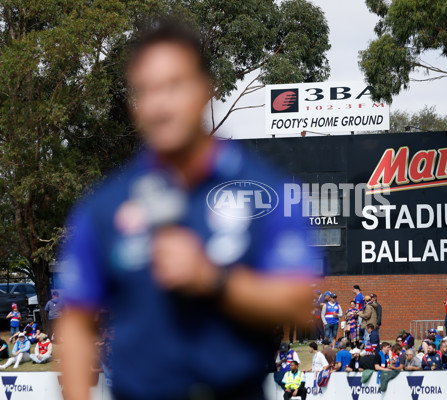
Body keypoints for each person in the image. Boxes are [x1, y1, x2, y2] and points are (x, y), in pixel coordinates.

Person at [58, 21, 321, 400]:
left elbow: (299, 306)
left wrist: (214, 280)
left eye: (174, 86)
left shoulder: (269, 189)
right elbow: (76, 321)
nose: (160, 105)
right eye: (145, 91)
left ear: (205, 90)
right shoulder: (104, 205)